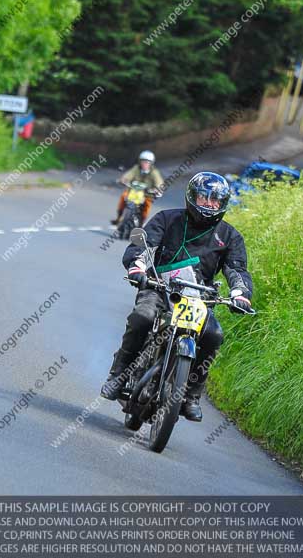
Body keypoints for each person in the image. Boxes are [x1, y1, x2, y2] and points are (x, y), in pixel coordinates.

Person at [101, 171, 253, 421]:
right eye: (204, 197)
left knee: (214, 334)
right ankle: (119, 374)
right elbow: (145, 245)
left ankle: (191, 395)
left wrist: (240, 293)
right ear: (192, 197)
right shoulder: (167, 219)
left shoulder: (230, 236)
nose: (209, 204)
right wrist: (138, 266)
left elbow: (236, 269)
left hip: (199, 298)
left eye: (215, 200)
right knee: (143, 316)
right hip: (159, 288)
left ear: (223, 204)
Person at [111, 150, 164, 226]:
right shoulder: (136, 168)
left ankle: (142, 223)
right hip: (133, 191)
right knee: (123, 197)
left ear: (151, 163)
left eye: (147, 162)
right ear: (140, 161)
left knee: (147, 205)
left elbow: (159, 183)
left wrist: (157, 189)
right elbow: (128, 175)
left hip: (147, 194)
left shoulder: (154, 172)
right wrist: (123, 180)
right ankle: (119, 217)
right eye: (143, 161)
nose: (145, 164)